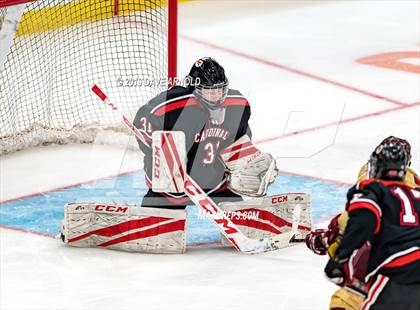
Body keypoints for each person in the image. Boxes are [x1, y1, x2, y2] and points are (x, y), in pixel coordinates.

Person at [133, 57, 278, 209]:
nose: (215, 95)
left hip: (216, 185)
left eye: (219, 89)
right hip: (171, 190)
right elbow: (141, 124)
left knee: (244, 220)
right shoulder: (172, 105)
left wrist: (246, 161)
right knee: (159, 226)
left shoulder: (236, 105)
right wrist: (159, 151)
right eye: (209, 90)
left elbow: (241, 138)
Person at [306, 136, 420, 310]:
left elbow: (359, 221)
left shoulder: (373, 186)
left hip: (395, 272)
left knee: (344, 301)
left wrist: (333, 246)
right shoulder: (416, 192)